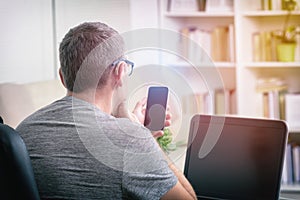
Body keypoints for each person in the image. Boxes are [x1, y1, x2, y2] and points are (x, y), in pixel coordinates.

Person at [16, 22, 196, 200]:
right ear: (119, 72)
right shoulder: (131, 140)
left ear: (62, 77)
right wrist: (144, 137)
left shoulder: (21, 133)